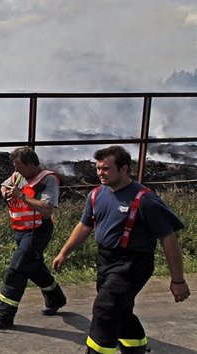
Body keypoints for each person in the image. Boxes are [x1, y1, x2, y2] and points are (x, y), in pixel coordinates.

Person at [52, 145, 191, 354]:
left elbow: (168, 239)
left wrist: (178, 280)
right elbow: (84, 226)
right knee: (120, 308)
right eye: (98, 168)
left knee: (105, 308)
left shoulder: (146, 200)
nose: (100, 173)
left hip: (133, 264)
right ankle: (135, 348)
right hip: (106, 260)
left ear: (124, 169)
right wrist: (64, 253)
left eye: (106, 168)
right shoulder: (95, 195)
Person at [0, 146, 67, 330]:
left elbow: (47, 208)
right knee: (34, 266)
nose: (15, 170)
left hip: (38, 231)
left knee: (16, 270)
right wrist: (5, 192)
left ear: (31, 165)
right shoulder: (18, 176)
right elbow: (5, 184)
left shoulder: (48, 179)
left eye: (18, 166)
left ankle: (3, 315)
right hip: (21, 230)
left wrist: (20, 195)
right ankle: (56, 298)